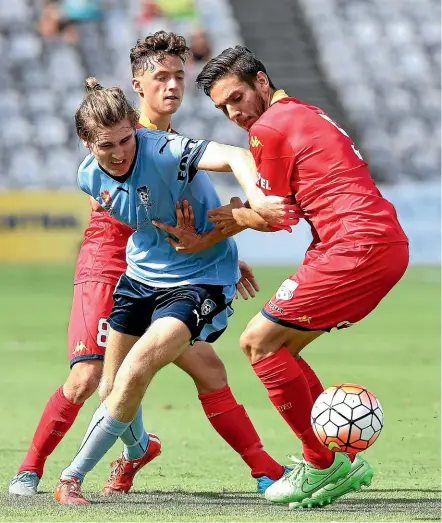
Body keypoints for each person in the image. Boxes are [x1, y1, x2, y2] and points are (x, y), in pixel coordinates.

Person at [8, 33, 291, 499]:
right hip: (111, 262)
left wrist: (220, 253)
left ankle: (258, 469)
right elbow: (138, 210)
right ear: (137, 85)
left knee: (206, 372)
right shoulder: (115, 136)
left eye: (180, 76)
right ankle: (34, 468)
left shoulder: (169, 146)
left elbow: (192, 212)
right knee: (91, 376)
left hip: (171, 270)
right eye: (162, 77)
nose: (174, 86)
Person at [186, 46, 409, 509]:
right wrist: (240, 213)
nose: (233, 112)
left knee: (257, 342)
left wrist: (232, 217)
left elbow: (275, 216)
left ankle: (322, 463)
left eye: (237, 97)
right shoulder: (303, 113)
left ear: (262, 83)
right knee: (281, 347)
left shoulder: (268, 127)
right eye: (223, 107)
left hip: (356, 246)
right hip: (369, 243)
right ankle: (332, 456)